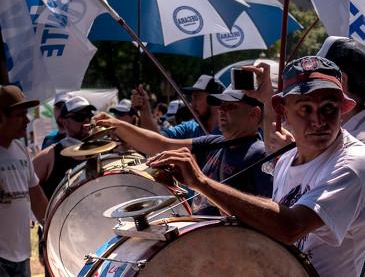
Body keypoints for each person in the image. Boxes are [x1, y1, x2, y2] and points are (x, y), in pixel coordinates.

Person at [147, 56, 365, 276]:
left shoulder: (354, 163)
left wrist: (201, 182)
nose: (318, 121)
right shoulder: (288, 160)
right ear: (284, 112)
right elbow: (272, 224)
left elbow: (290, 227)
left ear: (342, 110)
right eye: (305, 109)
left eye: (329, 108)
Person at [94, 87, 272, 214]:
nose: (221, 110)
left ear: (254, 114)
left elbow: (269, 212)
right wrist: (117, 125)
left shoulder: (260, 154)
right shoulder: (215, 142)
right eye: (221, 105)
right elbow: (161, 145)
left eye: (230, 106)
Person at [317, 36, 365, 277]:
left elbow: (321, 217)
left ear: (341, 80)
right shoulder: (354, 133)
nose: (312, 85)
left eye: (320, 75)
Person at [0, 85, 48, 277]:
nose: (27, 120)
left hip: (22, 255)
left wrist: (53, 230)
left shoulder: (21, 150)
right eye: (20, 115)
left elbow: (36, 197)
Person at [33, 96, 95, 200]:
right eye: (79, 117)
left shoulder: (102, 149)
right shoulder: (49, 156)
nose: (86, 121)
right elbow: (26, 189)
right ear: (64, 122)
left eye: (89, 116)